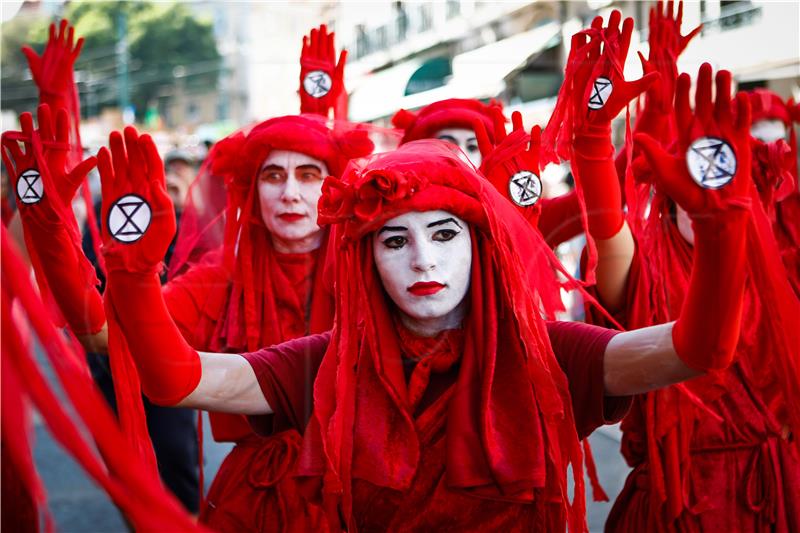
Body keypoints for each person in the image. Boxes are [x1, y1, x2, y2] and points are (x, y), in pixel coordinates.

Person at [94, 82, 754, 530]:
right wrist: (131, 271)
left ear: (480, 245)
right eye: (394, 240)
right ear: (366, 261)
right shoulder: (329, 364)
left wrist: (720, 226)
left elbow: (697, 349)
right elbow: (177, 378)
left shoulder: (549, 353)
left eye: (444, 235)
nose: (423, 261)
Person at [562, 5, 800, 532]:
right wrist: (593, 144)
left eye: (722, 190)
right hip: (677, 505)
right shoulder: (642, 269)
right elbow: (606, 227)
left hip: (777, 493)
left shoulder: (782, 271)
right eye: (686, 196)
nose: (699, 207)